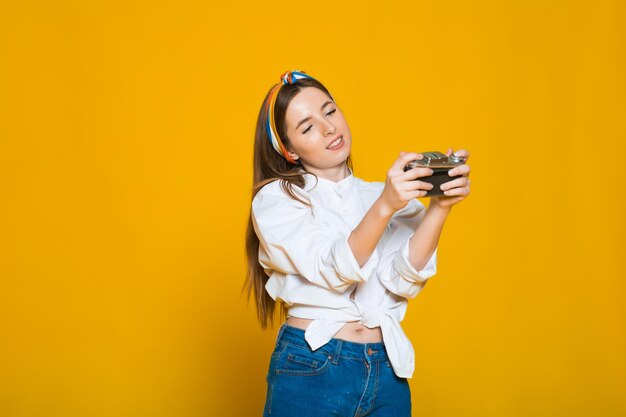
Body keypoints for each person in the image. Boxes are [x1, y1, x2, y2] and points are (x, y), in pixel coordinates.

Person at [243, 69, 471, 417]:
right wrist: (385, 206)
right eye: (307, 127)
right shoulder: (278, 199)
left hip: (385, 370)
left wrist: (440, 206)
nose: (328, 128)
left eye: (329, 111)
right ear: (289, 151)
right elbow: (337, 268)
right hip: (311, 366)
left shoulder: (382, 194)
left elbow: (403, 279)